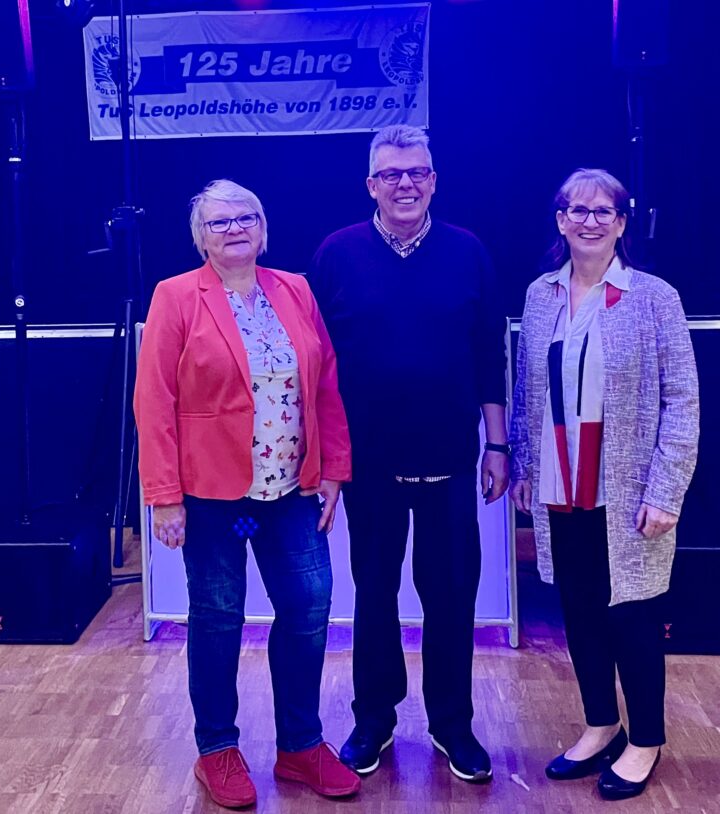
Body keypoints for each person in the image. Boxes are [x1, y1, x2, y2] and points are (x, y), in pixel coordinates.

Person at [134, 179, 360, 809]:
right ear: (199, 236)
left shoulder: (296, 289)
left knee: (311, 607)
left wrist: (334, 470)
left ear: (263, 227)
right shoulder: (176, 297)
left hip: (291, 487)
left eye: (246, 218)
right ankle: (217, 750)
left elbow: (325, 386)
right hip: (210, 497)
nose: (234, 229)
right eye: (219, 222)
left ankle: (301, 746)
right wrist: (164, 495)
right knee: (217, 617)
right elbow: (154, 402)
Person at [308, 125, 509, 784]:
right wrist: (326, 460)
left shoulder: (468, 252)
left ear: (434, 180)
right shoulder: (336, 255)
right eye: (391, 173)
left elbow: (488, 356)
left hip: (452, 461)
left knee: (452, 594)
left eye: (417, 172)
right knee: (374, 594)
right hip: (368, 467)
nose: (405, 184)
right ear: (370, 183)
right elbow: (317, 365)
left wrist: (498, 444)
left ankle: (453, 724)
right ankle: (374, 719)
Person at [508, 168, 700, 801]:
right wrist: (525, 470)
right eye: (576, 210)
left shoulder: (654, 297)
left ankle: (644, 739)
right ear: (559, 220)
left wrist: (665, 490)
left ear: (621, 222)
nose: (589, 221)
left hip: (628, 487)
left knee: (634, 617)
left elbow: (682, 401)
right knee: (581, 613)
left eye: (603, 211)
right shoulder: (540, 295)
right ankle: (600, 725)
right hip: (562, 484)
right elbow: (526, 390)